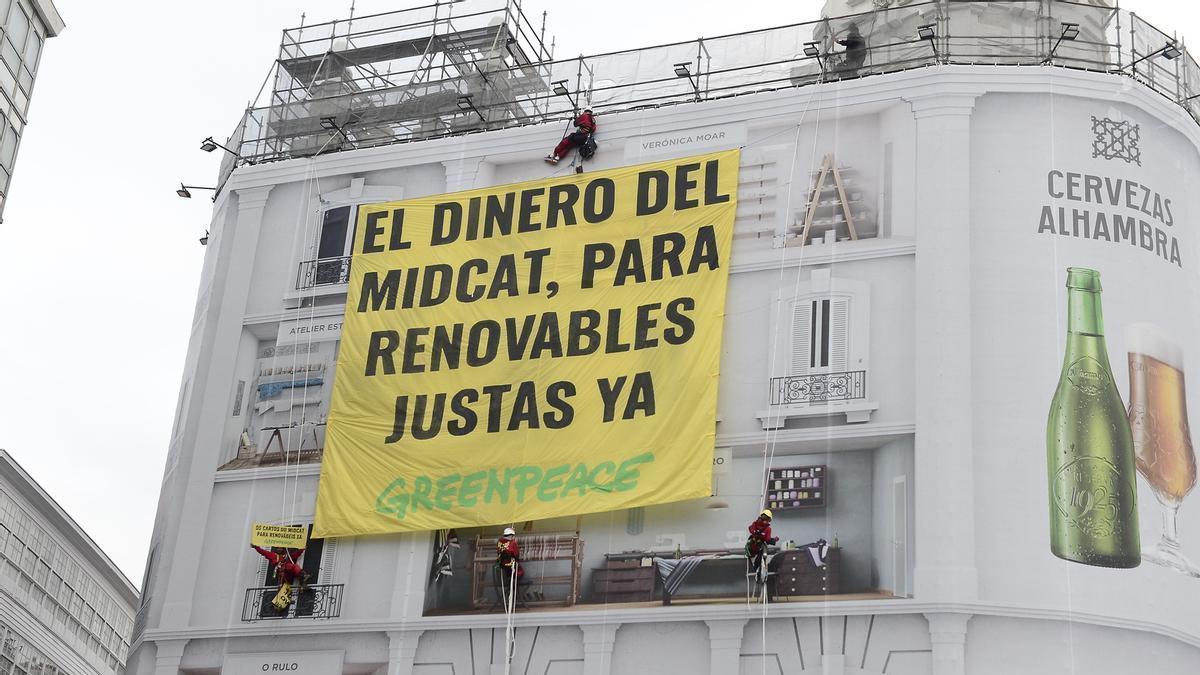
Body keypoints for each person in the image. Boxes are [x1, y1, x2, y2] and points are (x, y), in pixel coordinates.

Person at [251, 545, 307, 613]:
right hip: (281, 574)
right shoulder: (273, 555)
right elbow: (264, 552)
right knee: (289, 568)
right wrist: (256, 547)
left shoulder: (287, 555)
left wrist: (302, 549)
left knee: (294, 566)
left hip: (289, 574)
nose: (279, 549)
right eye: (278, 548)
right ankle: (279, 605)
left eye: (281, 548)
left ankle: (303, 576)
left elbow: (296, 554)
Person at [494, 527, 524, 607]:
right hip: (512, 568)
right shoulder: (513, 543)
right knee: (520, 573)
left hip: (502, 568)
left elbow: (498, 553)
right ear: (511, 535)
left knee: (510, 578)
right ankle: (514, 592)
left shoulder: (499, 542)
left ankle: (511, 590)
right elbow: (516, 555)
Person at [746, 509, 779, 575]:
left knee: (759, 557)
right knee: (757, 558)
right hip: (756, 546)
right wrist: (775, 540)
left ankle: (756, 570)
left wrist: (773, 540)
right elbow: (767, 540)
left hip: (756, 546)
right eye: (765, 518)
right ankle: (756, 570)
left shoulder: (763, 527)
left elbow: (767, 539)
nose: (765, 521)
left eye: (766, 519)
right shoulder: (760, 526)